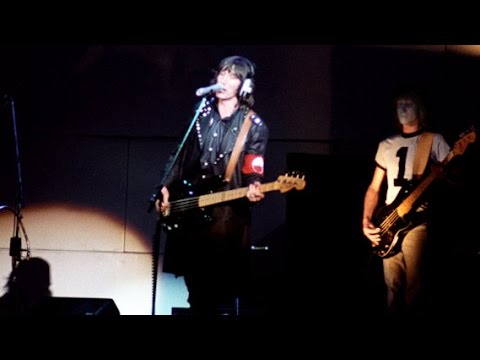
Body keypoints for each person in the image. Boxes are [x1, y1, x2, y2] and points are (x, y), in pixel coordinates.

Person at [155, 55, 269, 315]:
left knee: (219, 290)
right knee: (195, 291)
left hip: (226, 216)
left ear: (245, 85)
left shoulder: (254, 125)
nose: (225, 80)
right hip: (192, 210)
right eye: (223, 74)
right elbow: (180, 154)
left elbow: (254, 164)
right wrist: (165, 185)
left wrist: (254, 184)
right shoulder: (200, 113)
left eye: (234, 76)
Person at [361, 89, 450, 319]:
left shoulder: (434, 139)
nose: (402, 108)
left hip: (417, 221)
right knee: (392, 285)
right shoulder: (386, 144)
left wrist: (444, 174)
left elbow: (458, 180)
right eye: (399, 104)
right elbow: (374, 187)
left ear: (420, 109)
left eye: (408, 104)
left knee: (414, 286)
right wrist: (366, 220)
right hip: (389, 221)